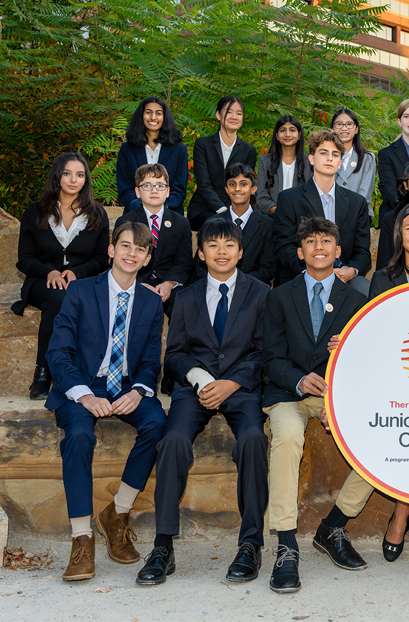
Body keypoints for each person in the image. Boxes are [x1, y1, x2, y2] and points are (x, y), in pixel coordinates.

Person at [316, 203, 409, 571]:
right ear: (399, 235)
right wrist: (349, 342)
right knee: (399, 434)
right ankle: (402, 507)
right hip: (396, 379)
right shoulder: (383, 279)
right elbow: (375, 334)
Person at [137, 219, 270, 587]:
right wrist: (199, 378)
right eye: (213, 245)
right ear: (200, 253)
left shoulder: (261, 293)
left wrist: (231, 383)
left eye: (229, 245)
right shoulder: (186, 297)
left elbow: (264, 352)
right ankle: (163, 545)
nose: (221, 252)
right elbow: (175, 354)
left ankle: (250, 544)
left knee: (253, 440)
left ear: (241, 252)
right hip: (194, 390)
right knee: (172, 441)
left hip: (241, 388)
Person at [45, 221, 166, 582]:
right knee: (80, 436)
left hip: (125, 385)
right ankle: (82, 538)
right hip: (82, 383)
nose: (132, 253)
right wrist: (83, 394)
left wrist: (139, 390)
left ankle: (118, 513)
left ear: (147, 259)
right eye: (125, 245)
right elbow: (58, 352)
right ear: (111, 250)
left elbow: (151, 360)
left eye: (140, 249)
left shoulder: (150, 301)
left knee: (158, 423)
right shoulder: (81, 291)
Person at [261, 217, 368, 593]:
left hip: (334, 393)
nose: (318, 247)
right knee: (288, 435)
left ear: (338, 252)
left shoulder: (357, 301)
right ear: (299, 252)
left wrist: (338, 392)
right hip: (287, 393)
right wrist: (298, 379)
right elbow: (270, 357)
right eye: (310, 241)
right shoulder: (278, 296)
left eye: (326, 241)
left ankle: (333, 525)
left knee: (374, 437)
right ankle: (286, 545)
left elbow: (365, 360)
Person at [14, 153, 110, 400]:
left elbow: (102, 259)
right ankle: (42, 374)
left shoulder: (97, 214)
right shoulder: (35, 211)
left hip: (81, 283)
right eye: (67, 173)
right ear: (57, 176)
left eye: (80, 175)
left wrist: (77, 272)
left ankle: (81, 372)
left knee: (75, 297)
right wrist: (50, 271)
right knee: (58, 299)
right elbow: (24, 259)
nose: (73, 180)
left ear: (86, 179)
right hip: (41, 282)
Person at [273, 130, 371, 294]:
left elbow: (362, 251)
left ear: (340, 163)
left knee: (363, 287)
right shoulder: (289, 198)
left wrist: (351, 271)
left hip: (342, 276)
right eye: (323, 153)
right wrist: (315, 271)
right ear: (311, 159)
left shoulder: (357, 202)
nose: (329, 158)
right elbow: (283, 248)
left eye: (335, 154)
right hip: (301, 274)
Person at [115, 163, 193, 316]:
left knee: (184, 306)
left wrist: (169, 284)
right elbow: (119, 260)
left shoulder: (181, 223)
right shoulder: (125, 222)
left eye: (160, 186)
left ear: (168, 191)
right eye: (147, 186)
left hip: (168, 282)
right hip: (135, 281)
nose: (154, 190)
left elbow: (183, 261)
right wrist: (139, 284)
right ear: (137, 192)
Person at [197, 163, 275, 285]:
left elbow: (268, 268)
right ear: (226, 189)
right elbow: (200, 264)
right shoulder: (211, 223)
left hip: (253, 289)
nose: (237, 188)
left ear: (253, 189)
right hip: (216, 287)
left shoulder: (268, 225)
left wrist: (237, 284)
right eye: (232, 184)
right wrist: (219, 283)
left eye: (243, 184)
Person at [187, 95, 258, 230]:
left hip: (235, 209)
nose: (234, 117)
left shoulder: (249, 150)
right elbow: (203, 183)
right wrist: (223, 210)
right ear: (218, 115)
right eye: (229, 112)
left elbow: (244, 185)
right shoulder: (202, 144)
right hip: (203, 209)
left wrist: (231, 211)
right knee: (219, 225)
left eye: (239, 113)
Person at [116, 97, 189, 214]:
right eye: (148, 112)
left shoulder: (179, 149)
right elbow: (124, 188)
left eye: (158, 113)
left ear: (164, 117)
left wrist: (160, 207)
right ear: (141, 116)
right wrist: (143, 206)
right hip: (136, 210)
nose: (153, 117)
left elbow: (179, 190)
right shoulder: (127, 149)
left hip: (169, 211)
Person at [255, 115, 310, 216]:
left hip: (301, 219)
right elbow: (261, 197)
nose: (287, 134)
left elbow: (311, 196)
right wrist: (279, 210)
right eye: (283, 130)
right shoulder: (265, 161)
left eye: (292, 130)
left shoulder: (309, 162)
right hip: (273, 218)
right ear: (277, 136)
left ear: (299, 135)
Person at [332, 108, 376, 214]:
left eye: (349, 124)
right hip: (330, 213)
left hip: (359, 214)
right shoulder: (325, 157)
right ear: (332, 129)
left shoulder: (367, 158)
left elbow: (364, 195)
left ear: (356, 129)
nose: (344, 128)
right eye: (339, 124)